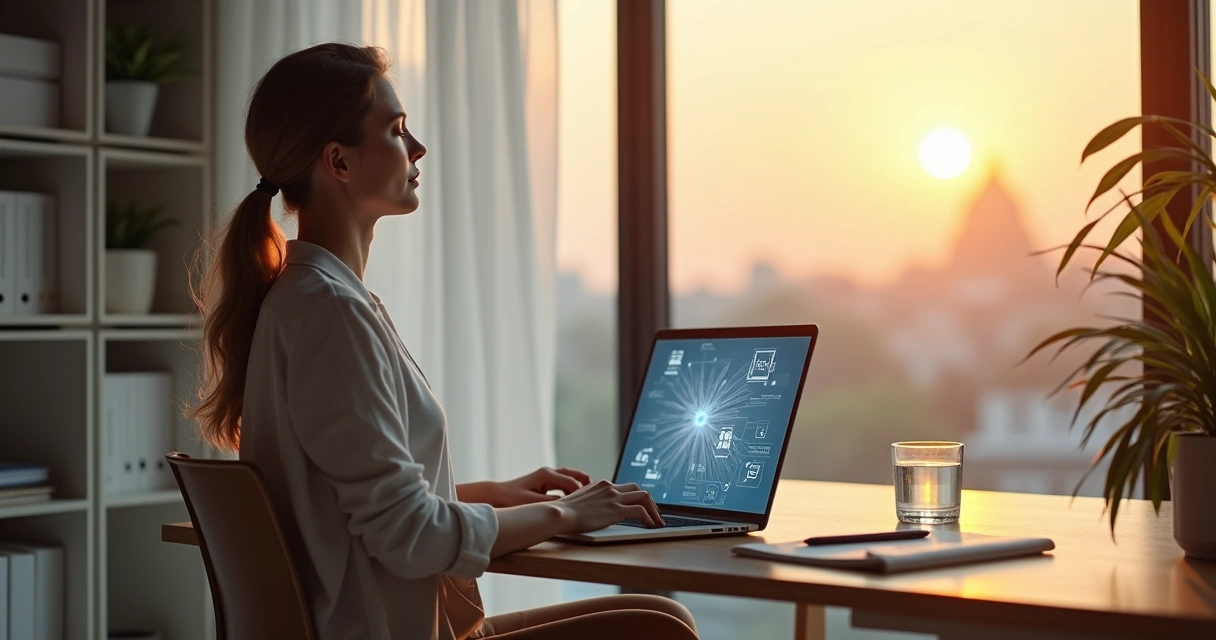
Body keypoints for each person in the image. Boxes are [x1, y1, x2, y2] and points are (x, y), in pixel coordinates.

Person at [190, 43, 699, 640]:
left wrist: (499, 494)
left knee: (663, 615)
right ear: (339, 162)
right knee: (660, 630)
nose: (418, 148)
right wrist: (567, 512)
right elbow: (411, 539)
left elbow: (356, 500)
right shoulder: (329, 314)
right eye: (397, 129)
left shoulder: (317, 299)